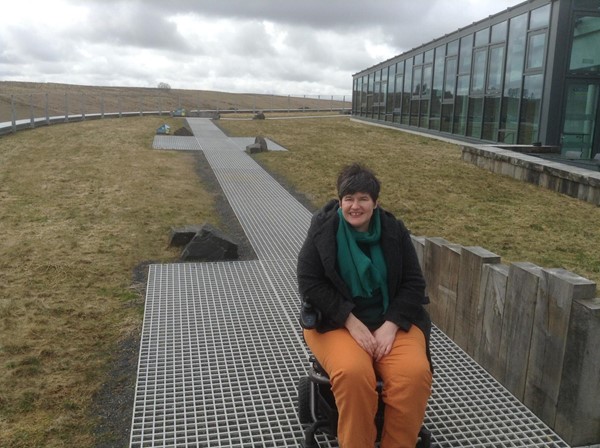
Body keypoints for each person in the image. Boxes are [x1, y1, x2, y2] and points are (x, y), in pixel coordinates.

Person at [297, 163, 432, 448]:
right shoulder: (323, 230)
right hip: (336, 323)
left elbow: (413, 284)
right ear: (340, 200)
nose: (354, 206)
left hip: (390, 321)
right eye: (348, 198)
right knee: (353, 374)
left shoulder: (394, 230)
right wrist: (349, 319)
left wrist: (391, 325)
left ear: (375, 202)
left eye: (363, 199)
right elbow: (309, 282)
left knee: (414, 375)